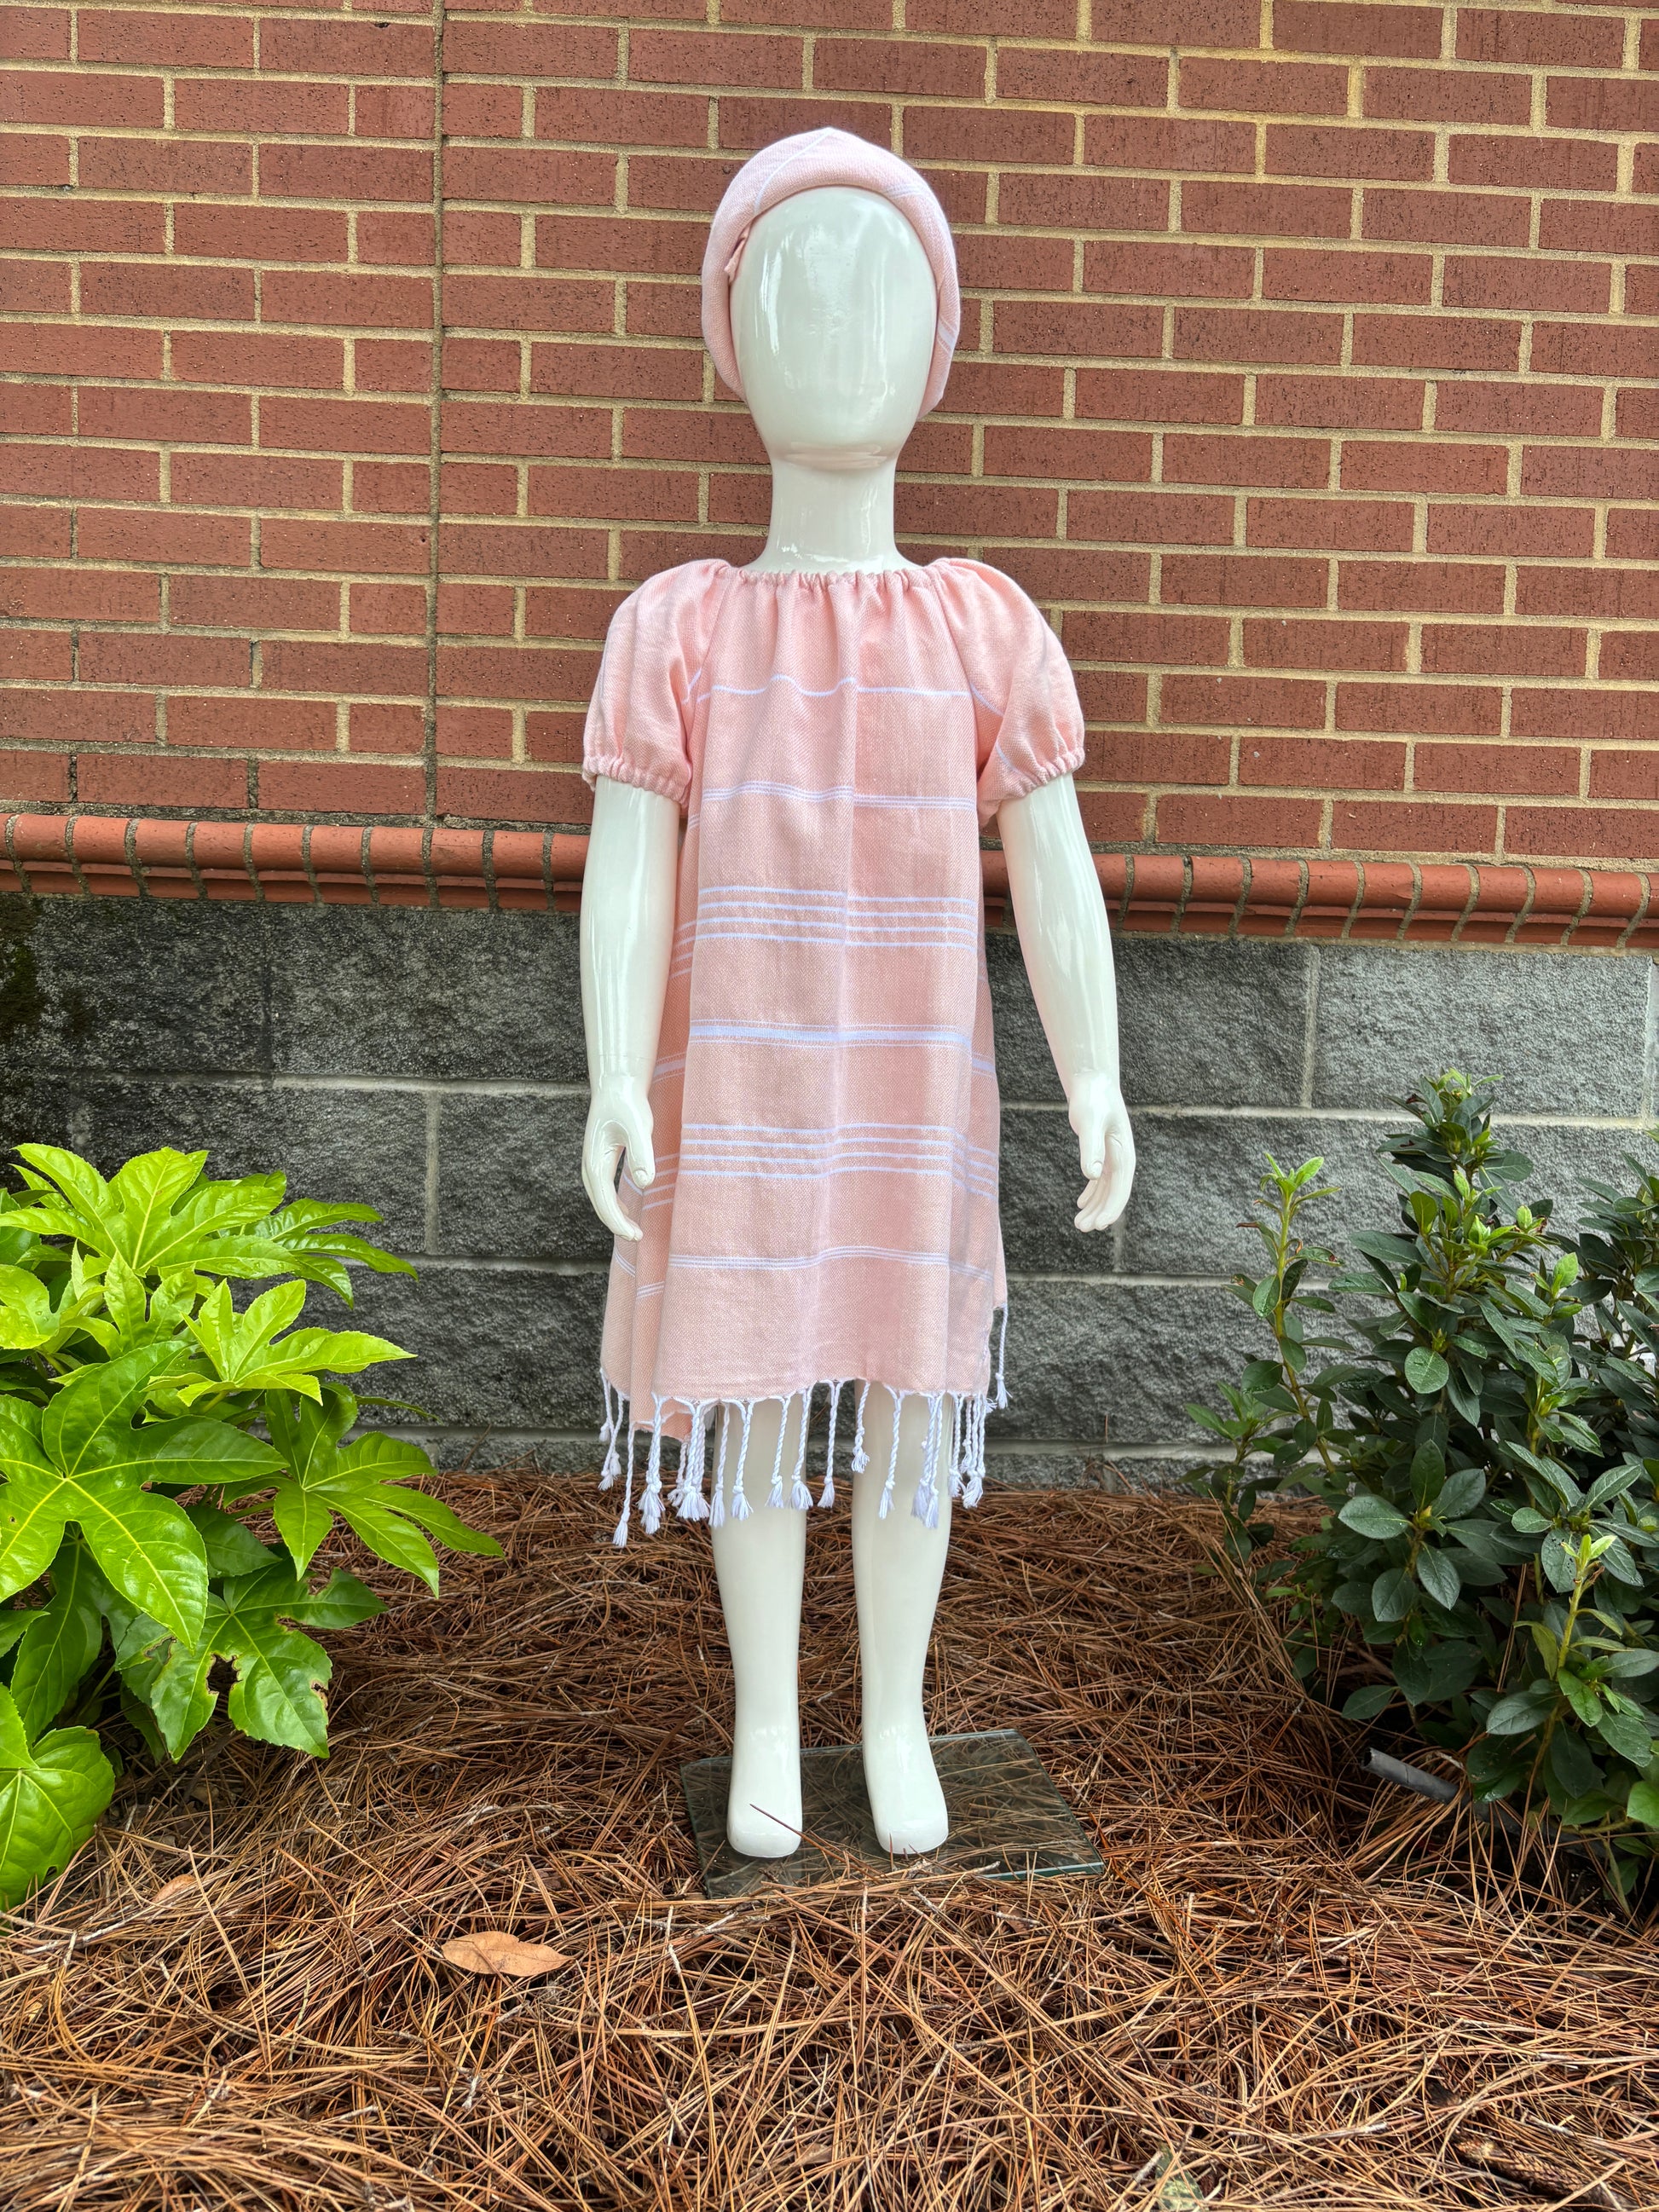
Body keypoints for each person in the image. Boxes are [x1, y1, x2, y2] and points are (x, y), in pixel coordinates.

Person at [577, 130, 1136, 1858]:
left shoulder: (983, 626)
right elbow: (628, 864)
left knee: (905, 1383)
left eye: (878, 284)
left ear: (936, 342)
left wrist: (1093, 1072)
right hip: (735, 1081)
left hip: (909, 1087)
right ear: (729, 337)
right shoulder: (676, 626)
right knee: (747, 1378)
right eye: (791, 284)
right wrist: (612, 1074)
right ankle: (761, 1722)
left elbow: (1055, 862)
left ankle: (894, 1715)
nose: (837, 321)